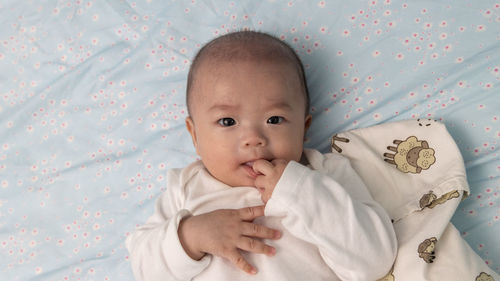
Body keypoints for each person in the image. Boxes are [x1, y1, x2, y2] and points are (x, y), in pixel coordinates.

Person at [125, 30, 397, 281]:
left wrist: (300, 190)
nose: (253, 138)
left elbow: (374, 261)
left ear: (303, 129)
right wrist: (191, 237)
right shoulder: (185, 188)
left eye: (274, 119)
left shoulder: (324, 174)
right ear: (194, 135)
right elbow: (144, 266)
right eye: (228, 122)